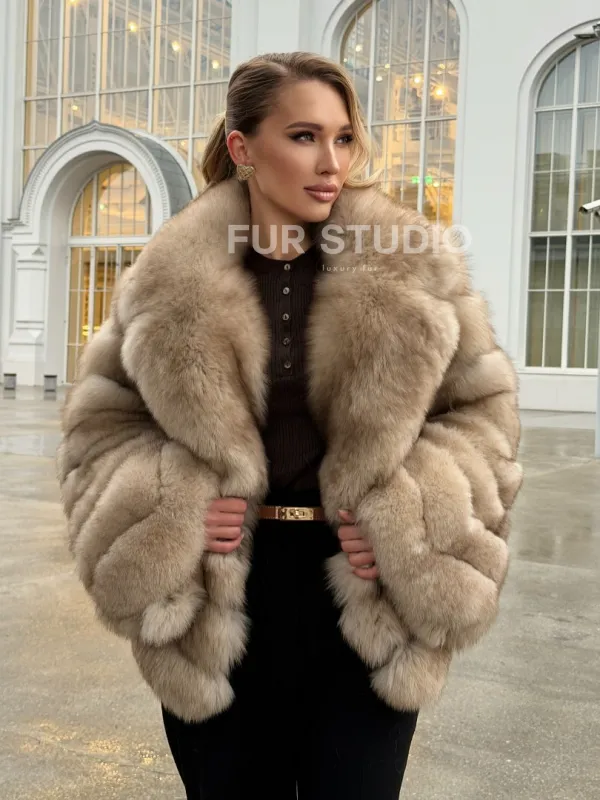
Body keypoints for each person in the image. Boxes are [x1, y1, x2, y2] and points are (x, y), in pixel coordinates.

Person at [56, 51, 523, 799]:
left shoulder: (413, 272)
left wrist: (410, 516)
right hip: (218, 606)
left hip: (364, 597)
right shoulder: (168, 281)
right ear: (243, 147)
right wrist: (170, 505)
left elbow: (483, 416)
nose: (331, 161)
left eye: (343, 138)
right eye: (304, 136)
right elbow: (100, 429)